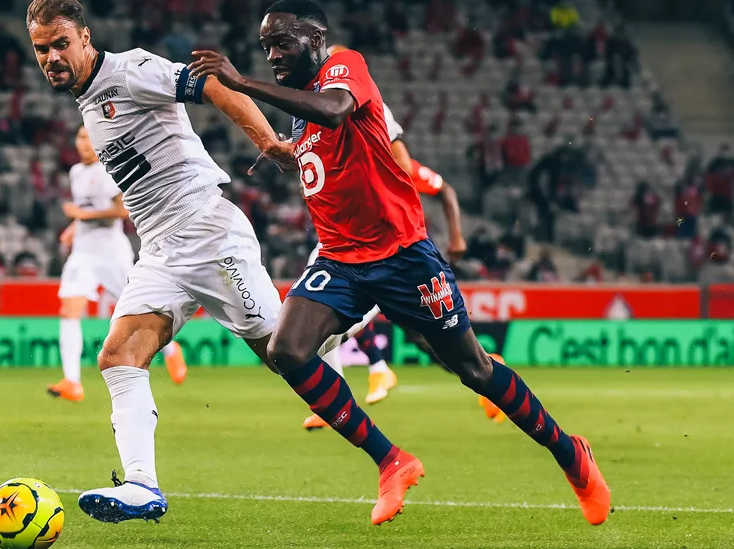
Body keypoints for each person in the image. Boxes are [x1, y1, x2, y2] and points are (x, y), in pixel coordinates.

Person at [189, 0, 610, 526]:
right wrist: (286, 151)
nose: (272, 54)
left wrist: (241, 82)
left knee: (473, 370)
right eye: (265, 46)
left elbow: (338, 109)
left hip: (403, 256)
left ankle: (571, 455)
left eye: (282, 43)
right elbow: (330, 153)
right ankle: (391, 461)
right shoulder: (301, 110)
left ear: (315, 38)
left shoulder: (344, 68)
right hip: (341, 260)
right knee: (288, 351)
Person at [25, 0, 345, 524]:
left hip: (206, 231)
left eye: (62, 44)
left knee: (285, 353)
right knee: (118, 356)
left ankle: (360, 312)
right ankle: (141, 486)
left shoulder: (129, 69)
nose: (53, 58)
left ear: (85, 37)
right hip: (160, 250)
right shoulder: (88, 98)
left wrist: (267, 140)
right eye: (43, 50)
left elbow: (210, 84)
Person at [299, 43, 468, 428]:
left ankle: (484, 368)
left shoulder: (404, 167)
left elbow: (445, 191)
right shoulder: (357, 154)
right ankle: (359, 380)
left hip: (401, 251)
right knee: (335, 307)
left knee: (432, 340)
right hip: (353, 245)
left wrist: (457, 238)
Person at [48, 124, 189, 403]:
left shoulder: (107, 171)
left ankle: (172, 351)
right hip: (83, 254)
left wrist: (81, 216)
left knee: (138, 310)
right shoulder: (76, 173)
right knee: (69, 309)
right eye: (79, 137)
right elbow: (86, 211)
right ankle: (72, 382)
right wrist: (75, 227)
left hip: (111, 253)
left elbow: (121, 211)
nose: (83, 143)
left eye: (88, 137)